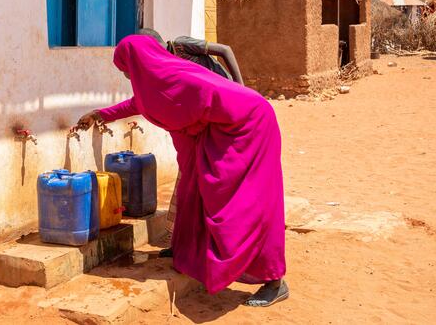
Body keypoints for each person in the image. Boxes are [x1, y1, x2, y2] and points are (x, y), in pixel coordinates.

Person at [76, 35, 288, 307]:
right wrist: (100, 114)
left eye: (126, 69)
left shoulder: (181, 78)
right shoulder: (155, 81)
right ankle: (187, 252)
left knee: (245, 203)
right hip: (219, 132)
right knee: (193, 190)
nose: (128, 76)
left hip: (247, 128)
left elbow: (226, 100)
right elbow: (139, 104)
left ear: (138, 62)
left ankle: (273, 280)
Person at [135, 28, 244, 259]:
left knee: (208, 184)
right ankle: (182, 243)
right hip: (205, 119)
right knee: (188, 186)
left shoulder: (181, 45)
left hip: (223, 104)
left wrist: (239, 86)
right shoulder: (162, 67)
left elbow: (225, 50)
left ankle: (213, 246)